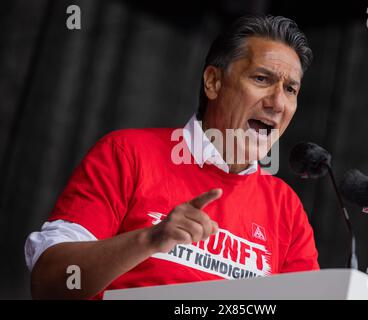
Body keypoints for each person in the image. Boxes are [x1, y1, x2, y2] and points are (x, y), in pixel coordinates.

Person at [25, 14, 319, 300]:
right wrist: (149, 240)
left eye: (290, 89)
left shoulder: (287, 209)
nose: (278, 102)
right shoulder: (127, 154)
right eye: (261, 78)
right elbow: (49, 283)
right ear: (213, 82)